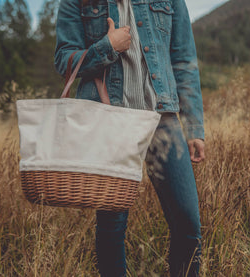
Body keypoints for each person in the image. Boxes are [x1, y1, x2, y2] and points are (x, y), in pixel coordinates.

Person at [54, 0, 205, 275]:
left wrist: (194, 127)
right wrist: (106, 47)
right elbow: (64, 59)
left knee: (188, 223)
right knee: (112, 226)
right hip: (111, 120)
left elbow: (183, 60)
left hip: (163, 120)